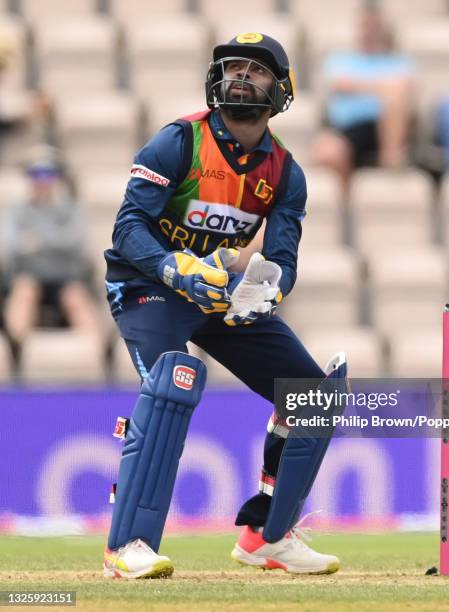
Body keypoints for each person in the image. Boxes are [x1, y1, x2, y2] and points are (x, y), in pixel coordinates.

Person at [102, 33, 347, 579]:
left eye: (256, 70)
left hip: (217, 293)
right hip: (149, 286)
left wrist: (264, 290)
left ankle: (266, 535)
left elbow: (282, 260)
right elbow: (127, 229)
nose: (240, 76)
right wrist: (171, 265)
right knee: (171, 386)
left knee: (311, 397)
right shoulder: (178, 142)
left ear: (282, 89)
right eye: (232, 67)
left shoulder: (284, 172)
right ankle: (127, 546)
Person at [2, 149, 102, 353]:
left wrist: (36, 241)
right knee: (24, 291)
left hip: (66, 278)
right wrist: (56, 241)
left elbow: (77, 245)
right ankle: (15, 358)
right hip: (29, 277)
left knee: (76, 297)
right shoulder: (16, 212)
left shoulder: (73, 210)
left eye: (48, 174)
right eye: (36, 174)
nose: (42, 180)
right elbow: (12, 247)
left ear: (57, 178)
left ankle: (98, 357)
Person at [312, 6, 414, 194]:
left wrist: (359, 86)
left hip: (386, 127)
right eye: (365, 27)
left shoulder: (399, 62)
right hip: (349, 129)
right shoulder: (340, 60)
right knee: (327, 152)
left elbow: (402, 91)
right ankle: (348, 204)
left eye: (373, 27)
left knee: (395, 101)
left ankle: (390, 166)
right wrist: (382, 87)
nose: (368, 32)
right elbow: (340, 84)